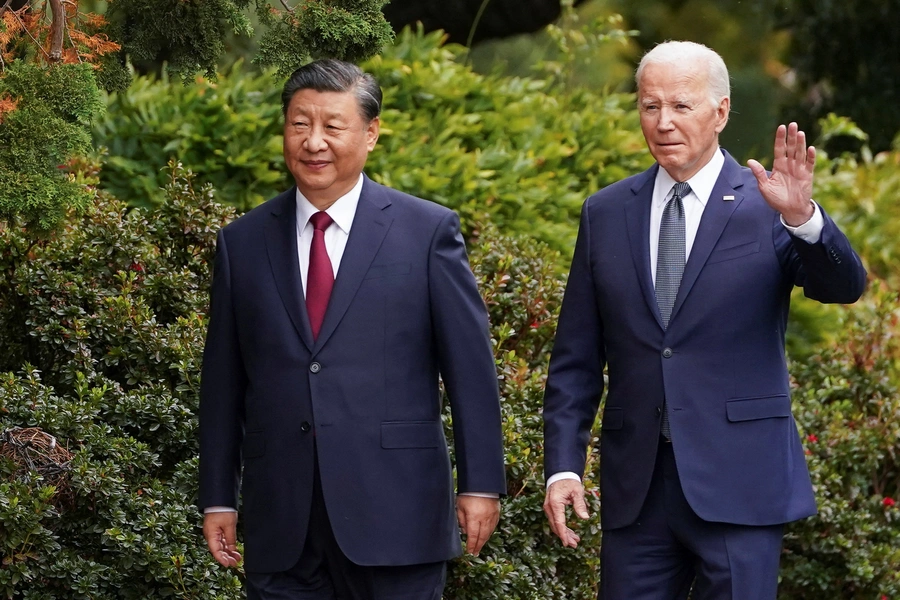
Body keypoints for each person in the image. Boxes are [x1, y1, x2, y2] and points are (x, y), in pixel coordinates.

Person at [542, 41, 867, 599]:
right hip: (637, 490)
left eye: (681, 106)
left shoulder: (768, 205)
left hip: (740, 484)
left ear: (720, 112)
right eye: (650, 106)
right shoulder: (606, 211)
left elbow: (844, 286)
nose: (663, 122)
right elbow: (575, 358)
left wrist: (804, 220)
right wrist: (563, 466)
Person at [198, 58, 506, 600]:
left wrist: (481, 483)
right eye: (300, 124)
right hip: (282, 523)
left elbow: (471, 371)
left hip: (398, 516)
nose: (313, 141)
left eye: (332, 126)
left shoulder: (426, 231)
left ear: (370, 133)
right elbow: (223, 385)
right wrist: (219, 497)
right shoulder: (242, 244)